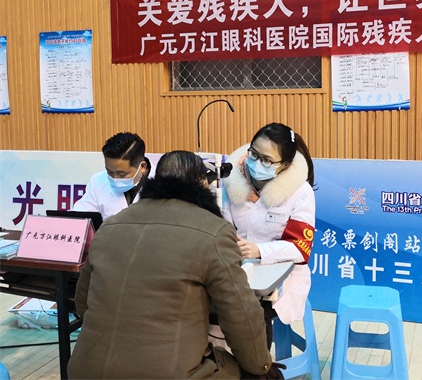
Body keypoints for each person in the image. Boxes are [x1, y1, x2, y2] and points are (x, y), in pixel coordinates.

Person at [68, 150, 276, 379]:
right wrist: (262, 367)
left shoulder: (109, 226)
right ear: (202, 183)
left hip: (85, 370)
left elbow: (82, 303)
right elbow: (240, 316)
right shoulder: (214, 231)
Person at [222, 122, 316, 348]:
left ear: (284, 165)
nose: (256, 163)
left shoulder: (300, 192)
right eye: (254, 154)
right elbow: (223, 226)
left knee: (254, 312)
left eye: (266, 160)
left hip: (282, 274)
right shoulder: (232, 180)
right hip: (236, 268)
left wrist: (259, 251)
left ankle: (260, 365)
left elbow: (300, 249)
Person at [73, 132, 152, 220]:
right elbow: (79, 218)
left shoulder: (161, 184)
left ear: (142, 167)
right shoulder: (98, 182)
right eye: (110, 172)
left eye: (121, 174)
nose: (115, 178)